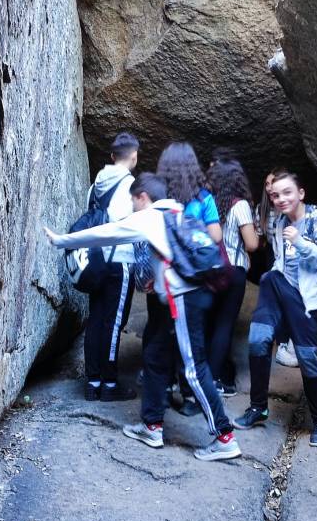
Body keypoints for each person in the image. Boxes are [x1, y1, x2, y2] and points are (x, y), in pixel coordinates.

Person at [44, 172, 241, 463]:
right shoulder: (179, 213)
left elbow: (107, 233)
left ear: (143, 197)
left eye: (133, 201)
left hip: (182, 301)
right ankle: (152, 426)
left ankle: (225, 437)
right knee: (155, 356)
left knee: (193, 368)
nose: (132, 207)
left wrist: (63, 241)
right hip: (185, 298)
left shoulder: (151, 217)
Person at [235, 170, 317, 448]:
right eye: (275, 195)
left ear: (301, 193)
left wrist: (299, 242)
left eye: (287, 193)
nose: (280, 199)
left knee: (306, 356)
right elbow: (281, 261)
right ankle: (258, 407)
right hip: (281, 289)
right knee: (258, 339)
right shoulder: (281, 221)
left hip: (309, 297)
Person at [156, 143, 222, 415]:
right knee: (192, 341)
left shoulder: (160, 199)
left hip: (164, 279)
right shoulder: (204, 198)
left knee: (162, 336)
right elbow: (216, 236)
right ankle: (190, 397)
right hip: (193, 282)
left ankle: (163, 390)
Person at [82, 132, 139, 402]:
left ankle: (92, 382)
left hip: (96, 260)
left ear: (112, 156)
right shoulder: (130, 186)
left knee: (95, 318)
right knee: (114, 322)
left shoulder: (95, 186)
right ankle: (109, 384)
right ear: (134, 156)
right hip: (120, 260)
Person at [205, 158, 258, 396]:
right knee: (225, 324)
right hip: (233, 269)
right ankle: (215, 379)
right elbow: (252, 243)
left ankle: (204, 375)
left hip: (210, 269)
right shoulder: (239, 205)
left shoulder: (207, 202)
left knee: (209, 322)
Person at [257, 169, 298, 368]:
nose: (269, 187)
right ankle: (282, 345)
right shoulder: (262, 209)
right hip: (273, 256)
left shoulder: (288, 206)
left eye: (272, 182)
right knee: (279, 302)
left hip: (291, 255)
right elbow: (260, 237)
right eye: (266, 184)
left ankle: (291, 343)